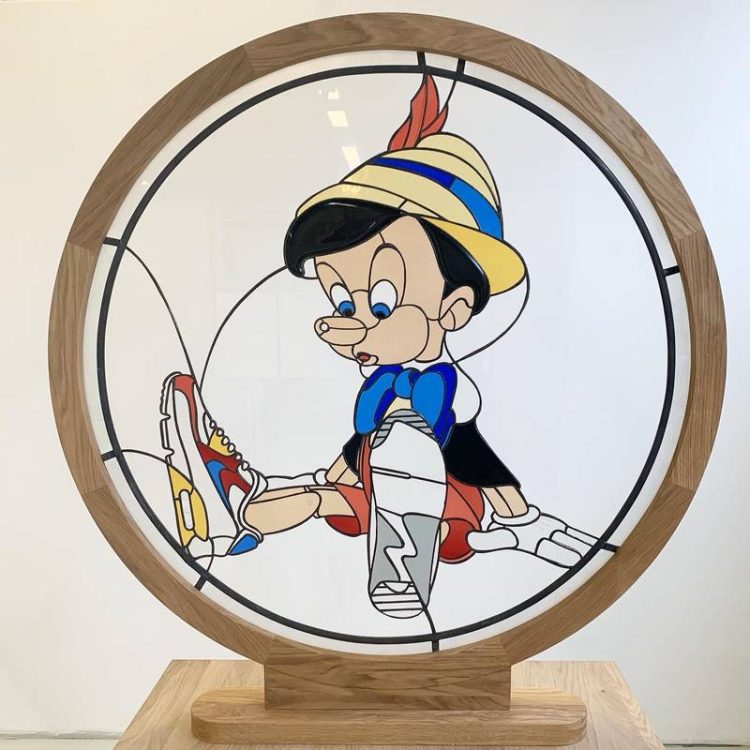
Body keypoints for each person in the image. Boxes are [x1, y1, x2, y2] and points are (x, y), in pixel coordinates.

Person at [159, 74, 596, 618]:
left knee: (375, 484)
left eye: (383, 303)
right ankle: (240, 516)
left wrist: (520, 516)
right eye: (344, 303)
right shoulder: (382, 388)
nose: (354, 322)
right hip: (375, 483)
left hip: (451, 499)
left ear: (454, 308)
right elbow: (359, 443)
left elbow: (471, 454)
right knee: (323, 495)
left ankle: (406, 542)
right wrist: (331, 476)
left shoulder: (446, 391)